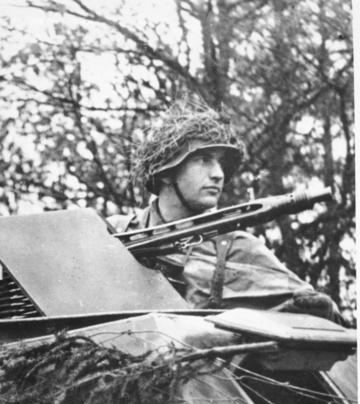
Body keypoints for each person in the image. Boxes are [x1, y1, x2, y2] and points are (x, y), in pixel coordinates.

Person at [108, 101, 344, 322]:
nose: (218, 174)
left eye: (221, 164)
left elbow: (319, 310)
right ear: (167, 171)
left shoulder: (237, 248)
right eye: (203, 160)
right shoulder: (112, 232)